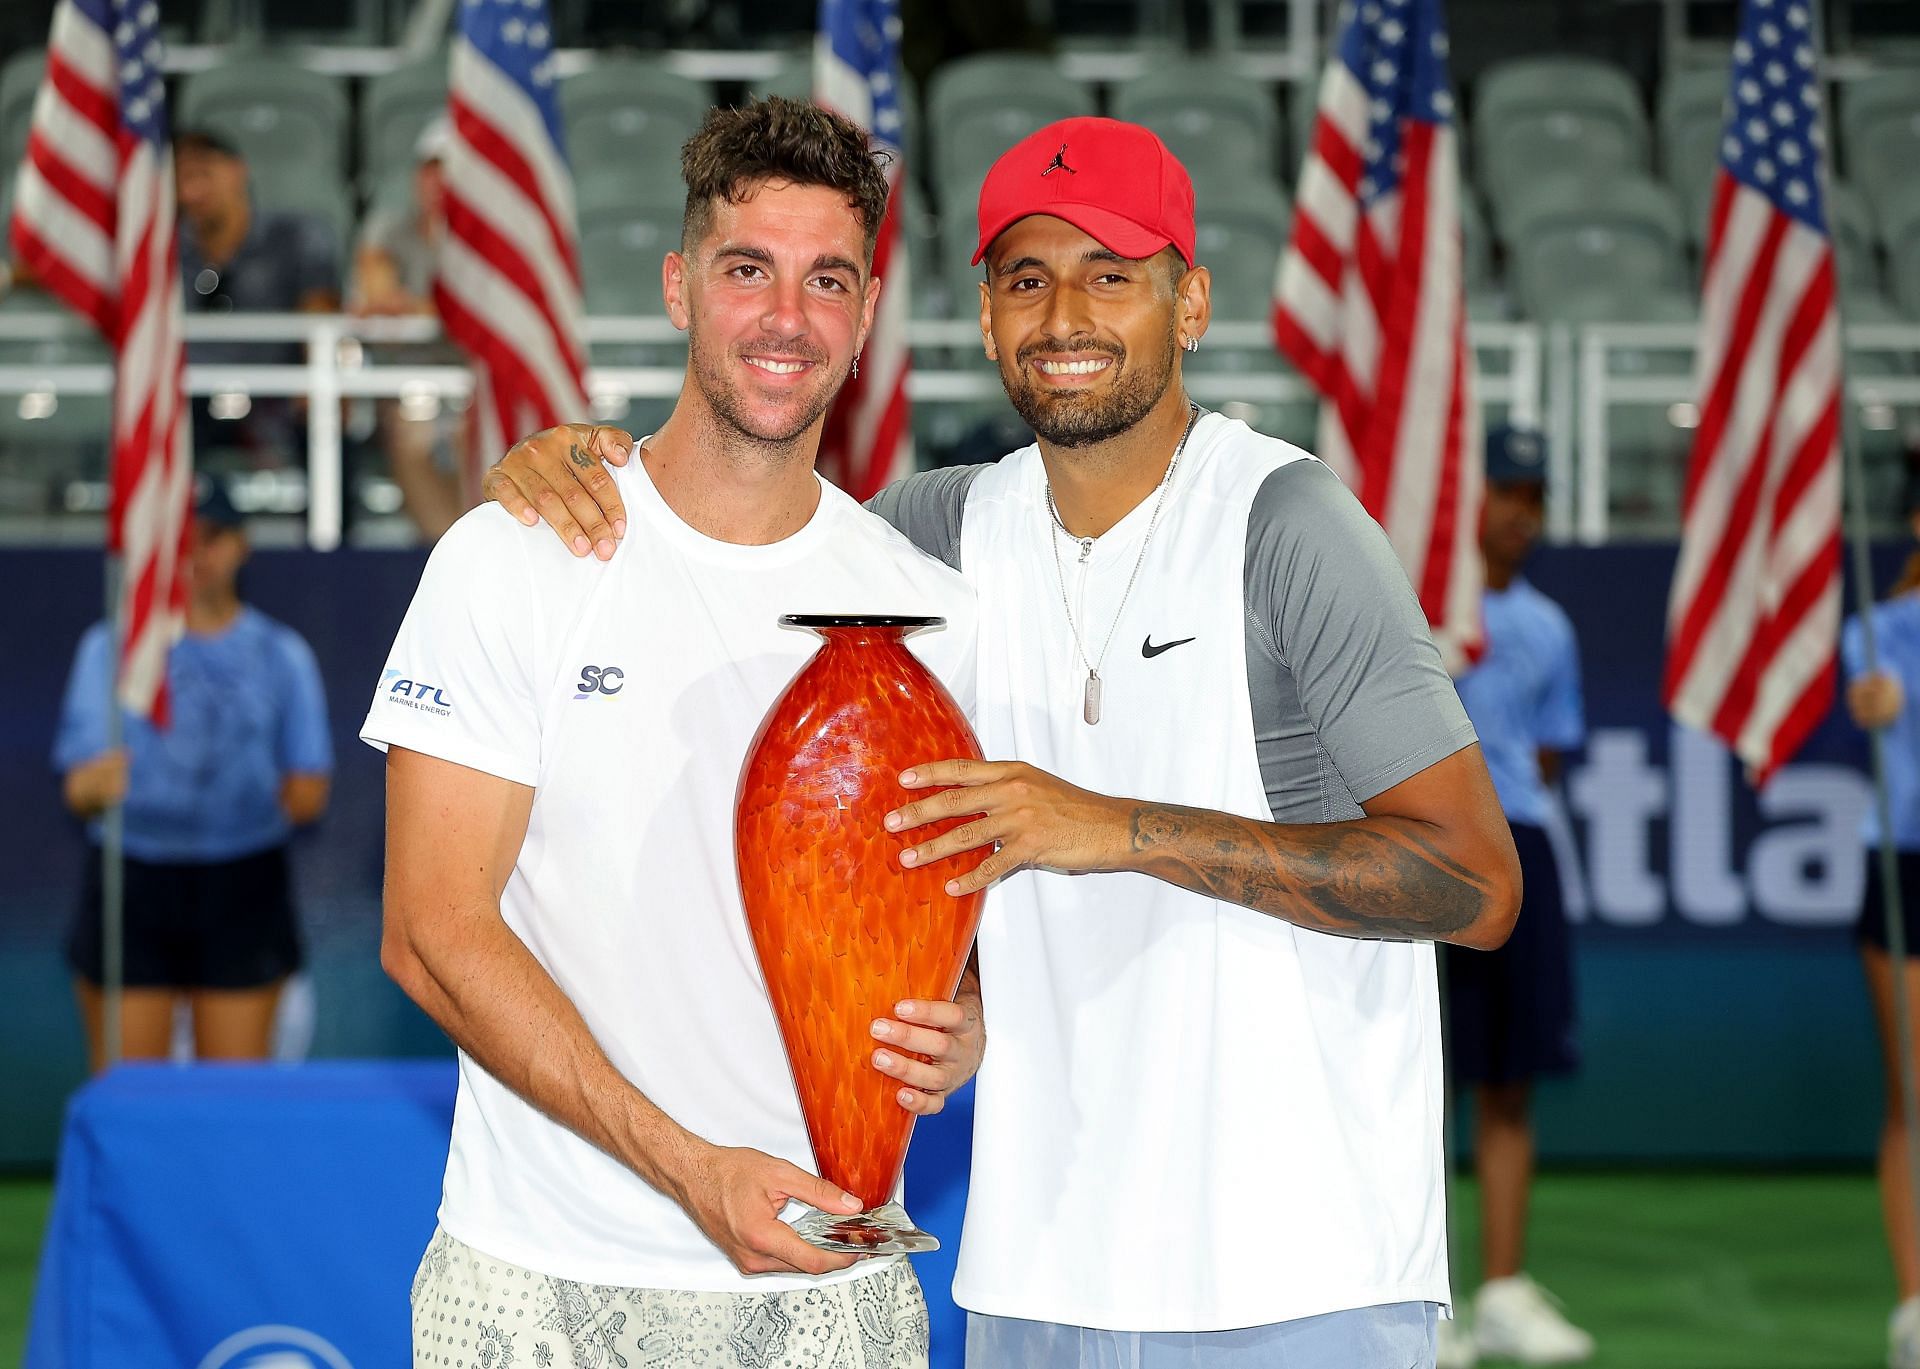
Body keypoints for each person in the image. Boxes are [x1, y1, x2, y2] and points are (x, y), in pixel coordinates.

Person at [488, 116, 1522, 1369]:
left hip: (1292, 1274)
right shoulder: (932, 531)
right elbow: (727, 540)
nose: (1065, 316)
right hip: (1033, 1278)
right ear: (984, 318)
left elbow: (1473, 884)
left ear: (1188, 303)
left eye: (1113, 275)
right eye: (1026, 279)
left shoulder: (1287, 522)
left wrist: (1112, 829)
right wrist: (578, 470)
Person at [363, 99, 984, 1369]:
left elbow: (953, 941)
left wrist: (974, 1024)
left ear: (866, 318)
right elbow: (431, 936)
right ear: (679, 286)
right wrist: (691, 1169)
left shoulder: (936, 616)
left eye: (829, 280)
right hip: (537, 1283)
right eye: (746, 269)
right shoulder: (516, 557)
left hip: (827, 1285)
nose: (785, 318)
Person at [53, 479, 332, 1070]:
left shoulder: (282, 655)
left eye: (211, 539)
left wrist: (264, 796)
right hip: (133, 878)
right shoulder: (109, 648)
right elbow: (78, 787)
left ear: (241, 546)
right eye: (179, 541)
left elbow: (309, 789)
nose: (195, 556)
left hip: (241, 882)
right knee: (128, 1094)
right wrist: (94, 787)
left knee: (232, 1095)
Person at [1433, 427, 1592, 1369]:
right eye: (1506, 489)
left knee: (1507, 1084)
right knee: (1424, 1083)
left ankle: (1499, 1291)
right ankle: (1432, 1300)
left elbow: (1544, 758)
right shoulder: (1415, 607)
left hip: (1519, 850)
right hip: (1419, 852)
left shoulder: (1549, 627)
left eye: (1534, 494)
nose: (1520, 513)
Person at [1843, 468, 1920, 1369]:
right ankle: (1913, 1307)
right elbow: (1869, 694)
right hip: (1906, 866)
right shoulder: (1879, 628)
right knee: (1913, 1086)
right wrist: (1879, 700)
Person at [173, 128, 341, 469]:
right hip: (192, 402)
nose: (192, 190)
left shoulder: (295, 236)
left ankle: (331, 523)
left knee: (326, 421)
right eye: (181, 178)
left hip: (278, 396)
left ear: (237, 170)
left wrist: (318, 378)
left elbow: (319, 308)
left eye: (203, 173)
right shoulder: (163, 248)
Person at [349, 116, 471, 542]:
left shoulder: (486, 242)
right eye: (430, 171)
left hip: (469, 383)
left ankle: (473, 543)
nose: (438, 183)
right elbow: (375, 300)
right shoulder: (389, 229)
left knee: (473, 428)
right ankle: (450, 547)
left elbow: (475, 312)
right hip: (406, 384)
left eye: (450, 173)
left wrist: (420, 308)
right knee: (410, 430)